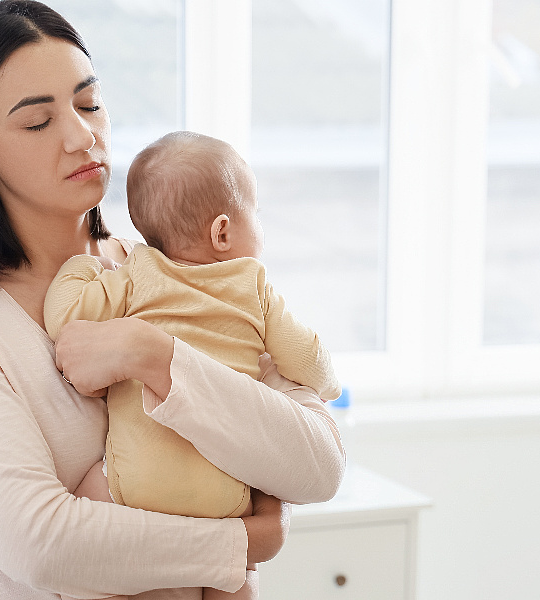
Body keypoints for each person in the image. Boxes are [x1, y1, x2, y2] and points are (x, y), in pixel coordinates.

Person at [0, 2, 345, 599]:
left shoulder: (173, 268)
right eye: (37, 122)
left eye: (89, 103)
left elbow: (318, 466)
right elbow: (39, 543)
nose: (82, 137)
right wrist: (247, 543)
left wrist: (152, 354)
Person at [43, 131, 343, 600]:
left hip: (134, 486)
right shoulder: (253, 284)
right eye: (256, 214)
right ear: (222, 231)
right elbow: (304, 357)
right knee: (237, 578)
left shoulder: (134, 276)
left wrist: (80, 269)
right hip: (224, 500)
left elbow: (65, 319)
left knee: (89, 513)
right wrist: (328, 381)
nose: (260, 229)